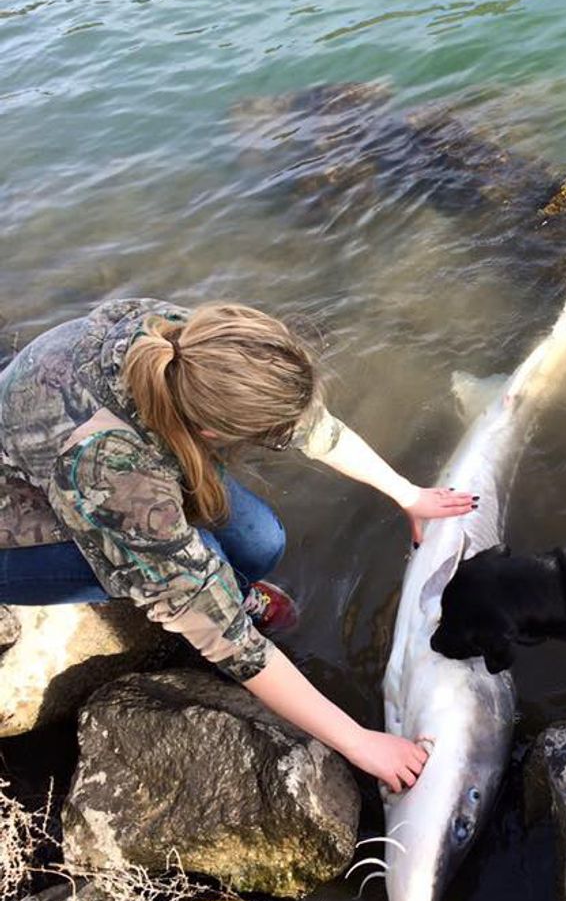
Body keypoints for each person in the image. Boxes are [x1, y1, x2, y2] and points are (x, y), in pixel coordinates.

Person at [0, 298, 476, 792]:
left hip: (92, 453)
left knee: (260, 541)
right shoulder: (114, 473)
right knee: (197, 570)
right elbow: (228, 640)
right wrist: (358, 741)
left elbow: (313, 428)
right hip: (16, 527)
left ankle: (227, 585)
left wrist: (408, 495)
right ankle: (198, 587)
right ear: (210, 432)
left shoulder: (191, 343)